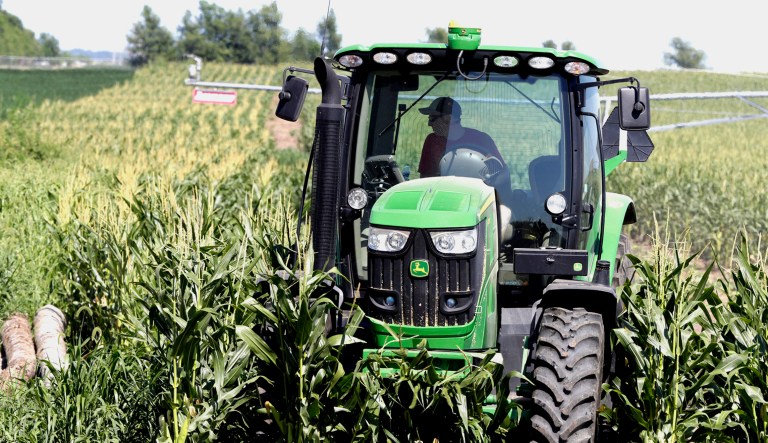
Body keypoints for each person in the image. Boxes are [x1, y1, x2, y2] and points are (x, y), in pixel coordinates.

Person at [417, 97, 506, 178]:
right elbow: (426, 177)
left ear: (450, 118)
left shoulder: (482, 140)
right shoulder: (432, 141)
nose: (429, 124)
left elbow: (502, 174)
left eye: (433, 118)